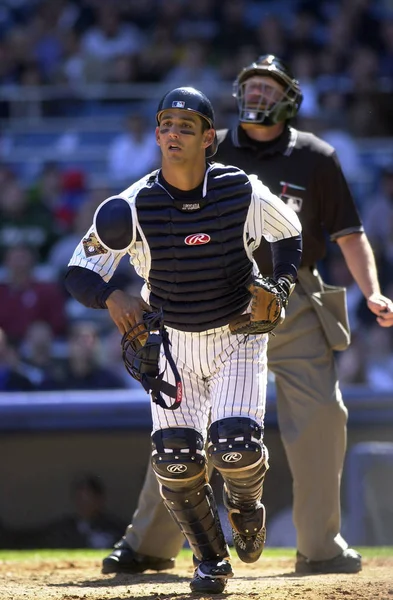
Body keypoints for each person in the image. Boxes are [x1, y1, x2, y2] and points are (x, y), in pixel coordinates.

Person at [101, 56, 393, 579]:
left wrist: (372, 292)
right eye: (250, 85)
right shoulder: (209, 142)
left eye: (267, 87)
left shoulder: (316, 156)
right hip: (201, 299)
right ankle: (146, 543)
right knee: (183, 430)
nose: (256, 94)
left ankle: (321, 545)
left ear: (289, 98)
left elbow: (350, 233)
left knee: (323, 416)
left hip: (293, 291)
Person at [65, 86, 302, 594]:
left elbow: (289, 233)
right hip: (169, 341)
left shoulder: (243, 190)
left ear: (208, 138)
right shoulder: (131, 205)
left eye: (185, 126)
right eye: (165, 125)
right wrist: (112, 298)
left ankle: (245, 507)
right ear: (155, 136)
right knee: (176, 459)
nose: (173, 133)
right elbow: (78, 271)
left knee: (234, 448)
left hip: (238, 332)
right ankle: (210, 561)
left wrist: (280, 287)